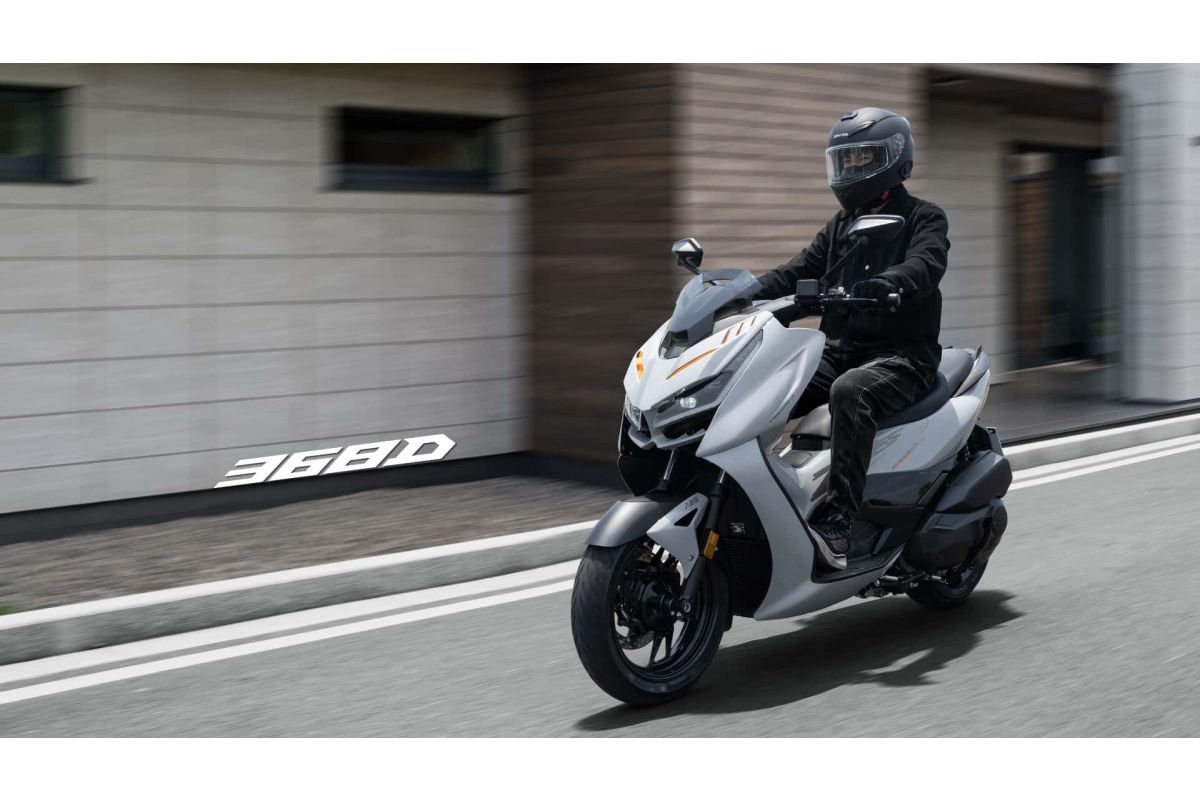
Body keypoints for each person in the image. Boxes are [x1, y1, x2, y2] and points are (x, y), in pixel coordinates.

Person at [754, 107, 950, 570]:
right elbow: (798, 269)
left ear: (894, 159)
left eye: (863, 158)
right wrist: (740, 292)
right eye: (845, 160)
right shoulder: (841, 225)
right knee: (763, 384)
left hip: (902, 357)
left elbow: (926, 263)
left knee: (851, 392)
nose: (851, 169)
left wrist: (891, 283)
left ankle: (840, 522)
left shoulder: (924, 217)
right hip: (840, 351)